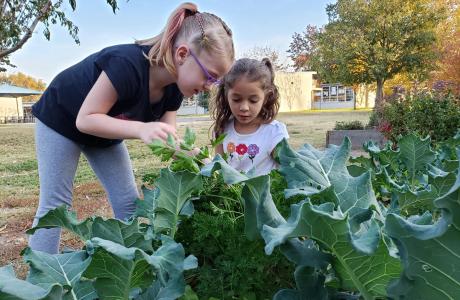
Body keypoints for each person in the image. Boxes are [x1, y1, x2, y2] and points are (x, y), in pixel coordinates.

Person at [29, 2, 235, 254]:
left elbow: (169, 142)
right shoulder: (127, 64)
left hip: (103, 130)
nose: (209, 86)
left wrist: (194, 157)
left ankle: (131, 271)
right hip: (61, 117)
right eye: (210, 76)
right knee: (55, 206)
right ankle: (37, 283)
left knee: (129, 203)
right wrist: (141, 129)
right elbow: (85, 119)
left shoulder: (174, 91)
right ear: (182, 54)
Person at [211, 58, 289, 176]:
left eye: (253, 100)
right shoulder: (222, 129)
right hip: (230, 195)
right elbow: (219, 169)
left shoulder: (274, 132)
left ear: (266, 98)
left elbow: (288, 169)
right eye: (236, 99)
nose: (244, 107)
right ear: (226, 95)